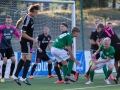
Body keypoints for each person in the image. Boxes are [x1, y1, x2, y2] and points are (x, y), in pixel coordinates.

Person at [12, 4, 40, 86]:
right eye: (35, 12)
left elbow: (20, 20)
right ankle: (23, 77)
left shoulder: (27, 17)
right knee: (29, 58)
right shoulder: (28, 18)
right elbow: (23, 34)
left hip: (26, 41)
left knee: (23, 57)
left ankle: (15, 75)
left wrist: (16, 26)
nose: (36, 14)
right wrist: (33, 39)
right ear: (31, 12)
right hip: (26, 41)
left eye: (37, 12)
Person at [0, 15, 20, 82]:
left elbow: (18, 35)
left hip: (9, 46)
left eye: (10, 20)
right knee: (5, 61)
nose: (8, 21)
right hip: (2, 46)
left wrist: (20, 39)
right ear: (5, 21)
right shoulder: (1, 27)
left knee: (14, 60)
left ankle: (11, 75)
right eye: (7, 20)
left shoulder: (13, 28)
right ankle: (2, 77)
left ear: (11, 21)